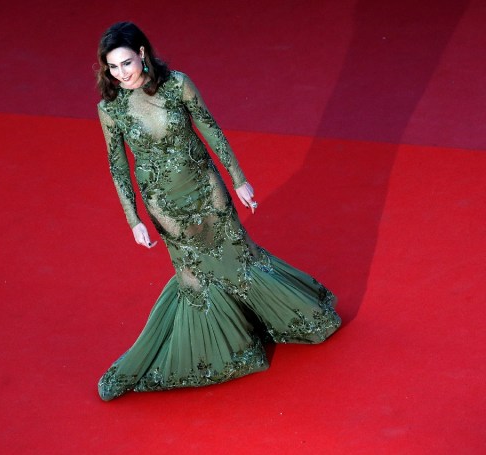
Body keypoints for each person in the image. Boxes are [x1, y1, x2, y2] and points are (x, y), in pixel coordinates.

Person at [96, 22, 341, 401]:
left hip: (207, 192)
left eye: (126, 62)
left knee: (240, 258)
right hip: (166, 207)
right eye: (113, 68)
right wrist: (133, 220)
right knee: (194, 280)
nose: (122, 73)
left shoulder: (177, 84)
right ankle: (229, 352)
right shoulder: (110, 109)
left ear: (142, 54)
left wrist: (239, 178)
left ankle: (274, 318)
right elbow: (118, 167)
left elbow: (209, 128)